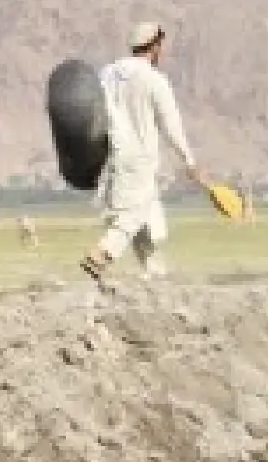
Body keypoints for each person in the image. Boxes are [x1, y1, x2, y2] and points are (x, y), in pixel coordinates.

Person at [81, 22, 200, 281]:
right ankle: (102, 253)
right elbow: (171, 124)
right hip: (138, 158)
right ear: (155, 47)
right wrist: (189, 160)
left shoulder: (107, 73)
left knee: (147, 219)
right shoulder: (153, 79)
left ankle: (154, 273)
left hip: (111, 154)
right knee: (132, 215)